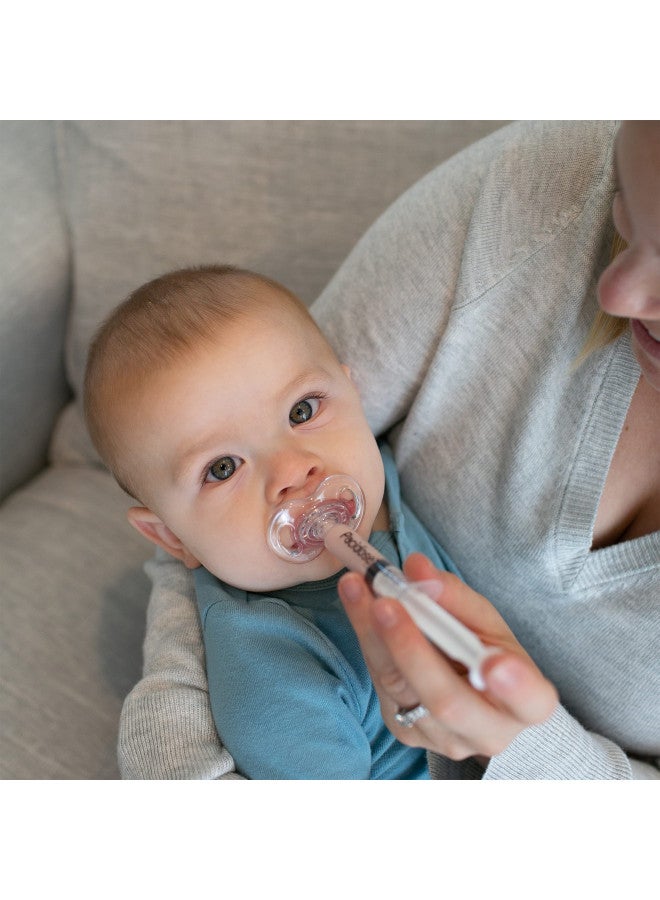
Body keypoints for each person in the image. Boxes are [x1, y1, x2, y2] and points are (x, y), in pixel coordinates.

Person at [117, 119, 659, 780]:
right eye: (626, 216)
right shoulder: (278, 685)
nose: (295, 469)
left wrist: (532, 746)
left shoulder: (368, 479)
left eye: (302, 414)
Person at [84, 264, 469, 779]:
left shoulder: (374, 470)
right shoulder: (271, 674)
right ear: (171, 537)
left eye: (303, 411)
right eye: (223, 468)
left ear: (354, 397)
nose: (293, 471)